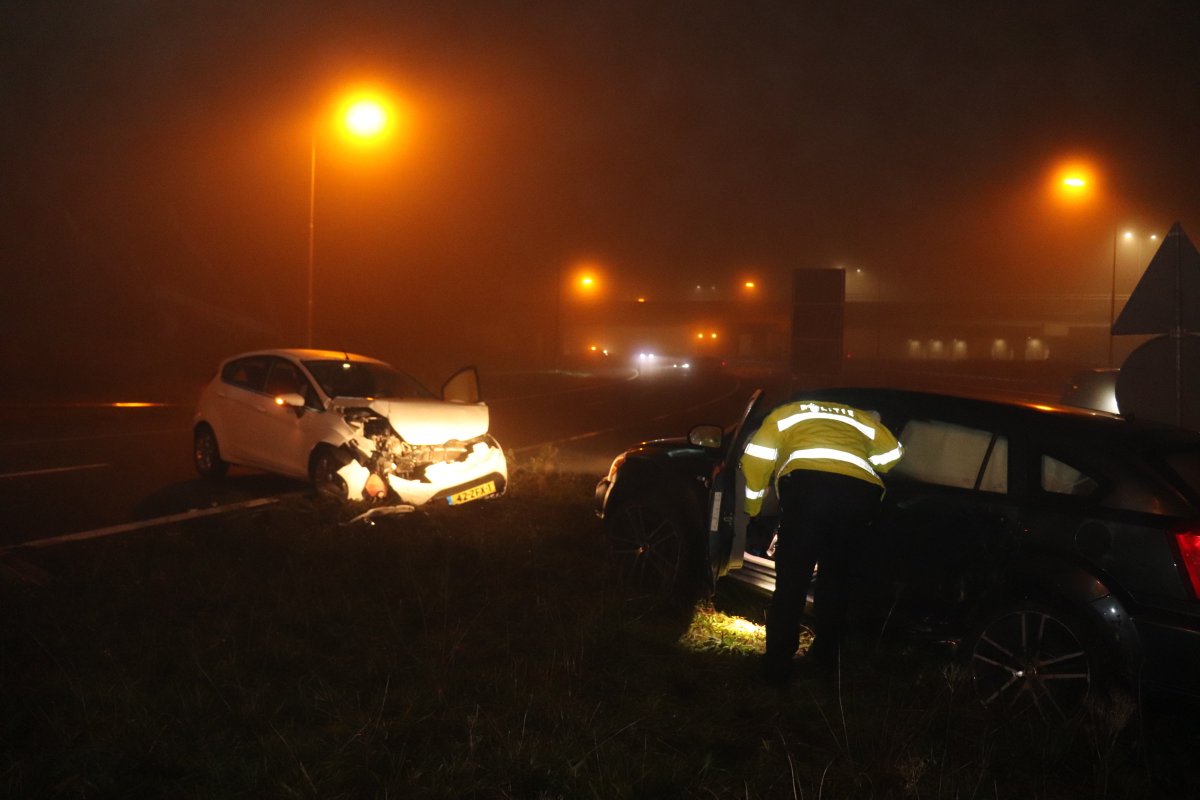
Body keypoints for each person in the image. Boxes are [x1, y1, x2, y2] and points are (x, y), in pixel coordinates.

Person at [740, 399, 903, 684]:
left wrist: (753, 508)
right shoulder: (860, 417)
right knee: (837, 581)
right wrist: (863, 460)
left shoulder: (786, 413)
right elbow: (892, 456)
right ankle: (827, 660)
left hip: (807, 493)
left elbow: (756, 457)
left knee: (792, 582)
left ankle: (777, 667)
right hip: (858, 497)